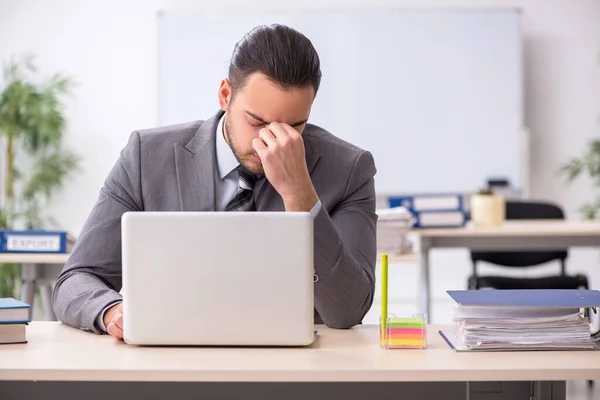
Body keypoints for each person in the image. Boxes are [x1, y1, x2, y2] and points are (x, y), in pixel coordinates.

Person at [52, 24, 377, 339]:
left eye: (295, 126)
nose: (271, 142)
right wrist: (112, 312)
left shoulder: (349, 169)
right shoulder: (147, 157)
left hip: (293, 372)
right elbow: (76, 280)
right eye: (257, 121)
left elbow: (347, 312)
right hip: (173, 363)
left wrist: (301, 196)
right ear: (225, 95)